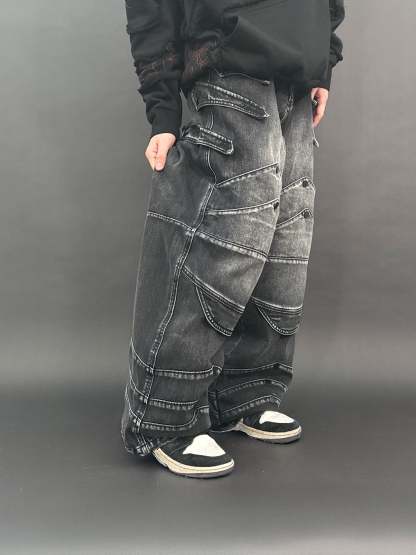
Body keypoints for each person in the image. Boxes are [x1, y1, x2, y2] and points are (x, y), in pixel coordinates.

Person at [120, 0, 345, 478]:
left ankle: (246, 393)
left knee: (284, 248)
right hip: (229, 61)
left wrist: (322, 57)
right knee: (219, 244)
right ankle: (163, 416)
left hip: (296, 76)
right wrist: (162, 108)